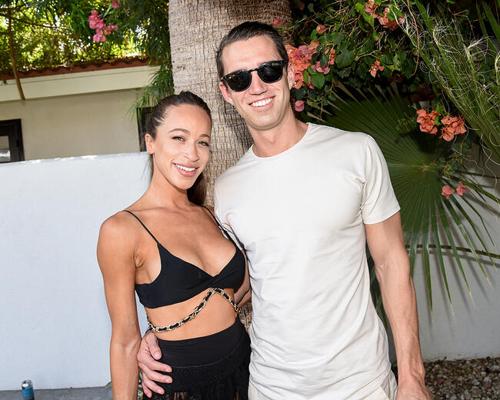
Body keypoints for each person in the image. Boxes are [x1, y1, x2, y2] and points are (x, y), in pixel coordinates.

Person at [138, 23, 431, 400]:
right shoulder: (227, 189)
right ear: (226, 92)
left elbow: (392, 263)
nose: (257, 86)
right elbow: (237, 285)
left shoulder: (356, 152)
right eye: (240, 78)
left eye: (269, 70)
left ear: (290, 73)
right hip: (271, 387)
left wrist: (412, 376)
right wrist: (164, 332)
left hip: (362, 384)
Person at [97, 91, 251, 400]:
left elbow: (243, 289)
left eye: (202, 142)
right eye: (179, 138)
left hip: (243, 371)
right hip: (179, 387)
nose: (192, 154)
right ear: (150, 142)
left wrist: (167, 327)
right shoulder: (122, 230)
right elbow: (125, 342)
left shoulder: (212, 215)